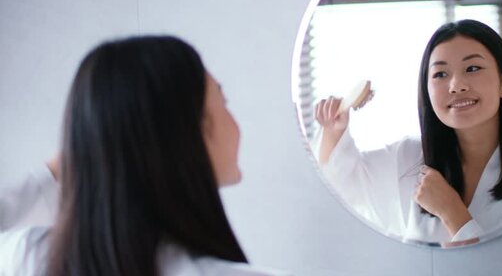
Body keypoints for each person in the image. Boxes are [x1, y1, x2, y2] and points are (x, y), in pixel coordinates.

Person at [0, 36, 289, 275]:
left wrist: (64, 164)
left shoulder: (28, 259)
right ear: (191, 132)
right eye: (222, 101)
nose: (236, 122)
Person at [315, 20, 502, 245]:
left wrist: (453, 214)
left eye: (472, 68)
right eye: (440, 74)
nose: (456, 86)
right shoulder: (407, 157)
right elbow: (341, 189)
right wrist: (334, 130)